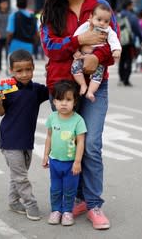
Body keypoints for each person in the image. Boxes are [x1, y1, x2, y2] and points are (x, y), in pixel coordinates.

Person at [40, 0, 114, 230]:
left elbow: (113, 41)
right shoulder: (50, 13)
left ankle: (94, 204)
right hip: (61, 88)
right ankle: (79, 197)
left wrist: (98, 58)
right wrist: (79, 41)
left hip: (94, 85)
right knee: (69, 144)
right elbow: (50, 48)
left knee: (91, 144)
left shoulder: (100, 7)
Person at [0, 49, 49, 221]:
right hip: (10, 141)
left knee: (17, 176)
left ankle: (13, 202)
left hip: (27, 141)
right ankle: (30, 204)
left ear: (33, 68)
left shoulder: (36, 89)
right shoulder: (6, 89)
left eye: (28, 69)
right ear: (11, 71)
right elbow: (0, 113)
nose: (24, 74)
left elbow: (55, 92)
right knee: (21, 177)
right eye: (19, 71)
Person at [42, 80, 86, 226]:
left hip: (71, 164)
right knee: (55, 188)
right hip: (55, 161)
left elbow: (80, 142)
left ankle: (67, 211)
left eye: (68, 99)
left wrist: (78, 161)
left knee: (69, 189)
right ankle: (56, 211)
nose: (64, 103)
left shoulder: (78, 120)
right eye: (60, 100)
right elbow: (49, 136)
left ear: (74, 102)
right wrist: (45, 155)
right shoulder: (52, 117)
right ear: (54, 102)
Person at [72, 3, 121, 101]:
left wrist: (116, 50)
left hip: (98, 60)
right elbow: (76, 37)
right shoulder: (86, 25)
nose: (102, 23)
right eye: (99, 19)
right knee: (75, 68)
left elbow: (114, 40)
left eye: (106, 21)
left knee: (98, 76)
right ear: (91, 17)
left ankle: (90, 91)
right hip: (82, 55)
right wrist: (76, 50)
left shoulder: (108, 30)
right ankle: (83, 85)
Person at [119, 0, 142, 86]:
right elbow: (137, 29)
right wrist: (141, 38)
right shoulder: (132, 16)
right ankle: (126, 79)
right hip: (129, 41)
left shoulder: (118, 15)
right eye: (132, 5)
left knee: (121, 60)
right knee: (129, 60)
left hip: (119, 41)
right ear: (129, 6)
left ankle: (121, 78)